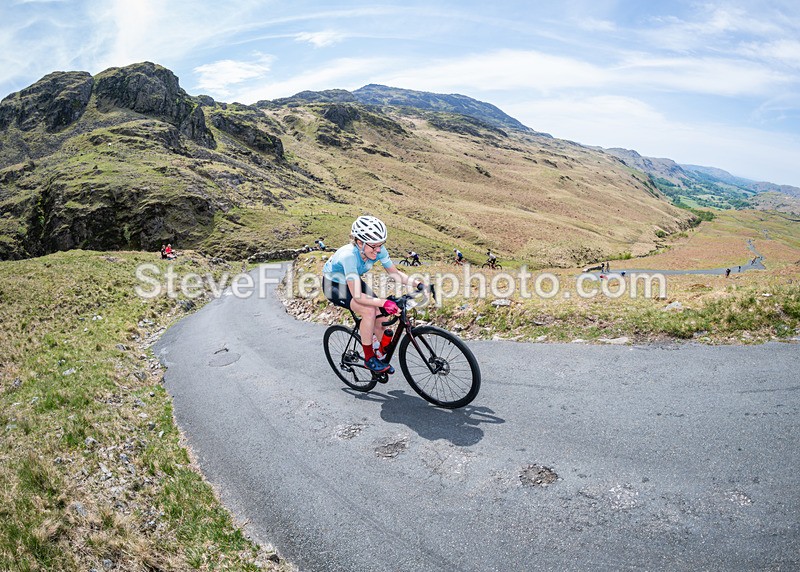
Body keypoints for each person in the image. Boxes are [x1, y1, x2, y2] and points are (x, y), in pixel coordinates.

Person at [322, 215, 425, 374]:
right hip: (334, 286)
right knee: (369, 310)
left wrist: (417, 284)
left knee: (381, 315)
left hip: (353, 280)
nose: (378, 250)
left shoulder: (378, 249)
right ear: (359, 242)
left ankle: (378, 349)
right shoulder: (349, 255)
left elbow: (395, 274)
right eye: (374, 246)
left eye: (380, 245)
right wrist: (384, 302)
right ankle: (369, 359)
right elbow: (357, 296)